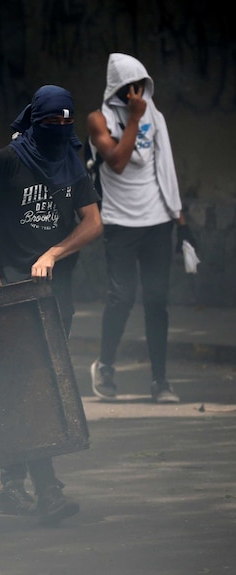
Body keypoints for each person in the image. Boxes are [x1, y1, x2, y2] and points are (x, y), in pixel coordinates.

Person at [0, 85, 102, 525]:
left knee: (41, 383)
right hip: (14, 295)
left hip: (58, 295)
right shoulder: (9, 160)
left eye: (66, 124)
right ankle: (47, 490)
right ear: (35, 122)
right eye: (51, 124)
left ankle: (11, 482)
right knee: (29, 383)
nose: (59, 131)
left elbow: (93, 222)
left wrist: (55, 253)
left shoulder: (72, 162)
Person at [87, 53, 196, 404]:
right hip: (120, 223)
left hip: (157, 222)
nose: (135, 95)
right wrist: (134, 119)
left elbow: (166, 166)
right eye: (127, 89)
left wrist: (181, 221)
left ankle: (160, 381)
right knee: (121, 298)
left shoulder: (156, 116)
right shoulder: (98, 119)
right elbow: (117, 162)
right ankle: (104, 366)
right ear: (115, 89)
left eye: (140, 88)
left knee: (156, 301)